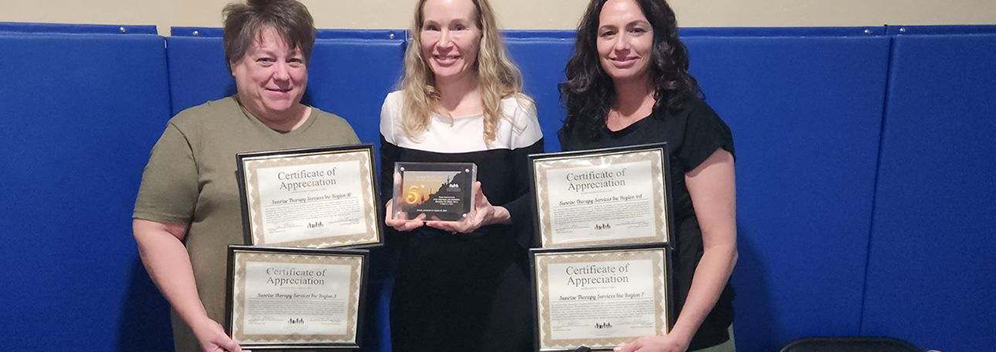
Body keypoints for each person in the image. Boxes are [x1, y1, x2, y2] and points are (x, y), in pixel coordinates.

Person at [130, 0, 360, 351]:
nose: (282, 74)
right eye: (265, 60)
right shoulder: (193, 131)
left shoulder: (338, 134)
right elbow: (154, 231)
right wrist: (198, 321)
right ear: (235, 64)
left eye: (294, 60)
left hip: (316, 338)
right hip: (223, 342)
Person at [558, 0, 738, 351]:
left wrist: (678, 338)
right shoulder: (583, 124)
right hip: (606, 332)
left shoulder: (693, 120)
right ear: (593, 44)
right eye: (608, 32)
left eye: (636, 30)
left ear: (659, 38)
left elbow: (723, 247)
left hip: (688, 336)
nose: (621, 45)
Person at [378, 0, 543, 350]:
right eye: (432, 27)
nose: (443, 41)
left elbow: (538, 205)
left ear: (481, 33)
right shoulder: (396, 108)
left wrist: (495, 214)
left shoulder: (516, 111)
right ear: (418, 35)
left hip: (499, 296)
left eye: (458, 27)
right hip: (420, 300)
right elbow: (383, 198)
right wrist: (390, 210)